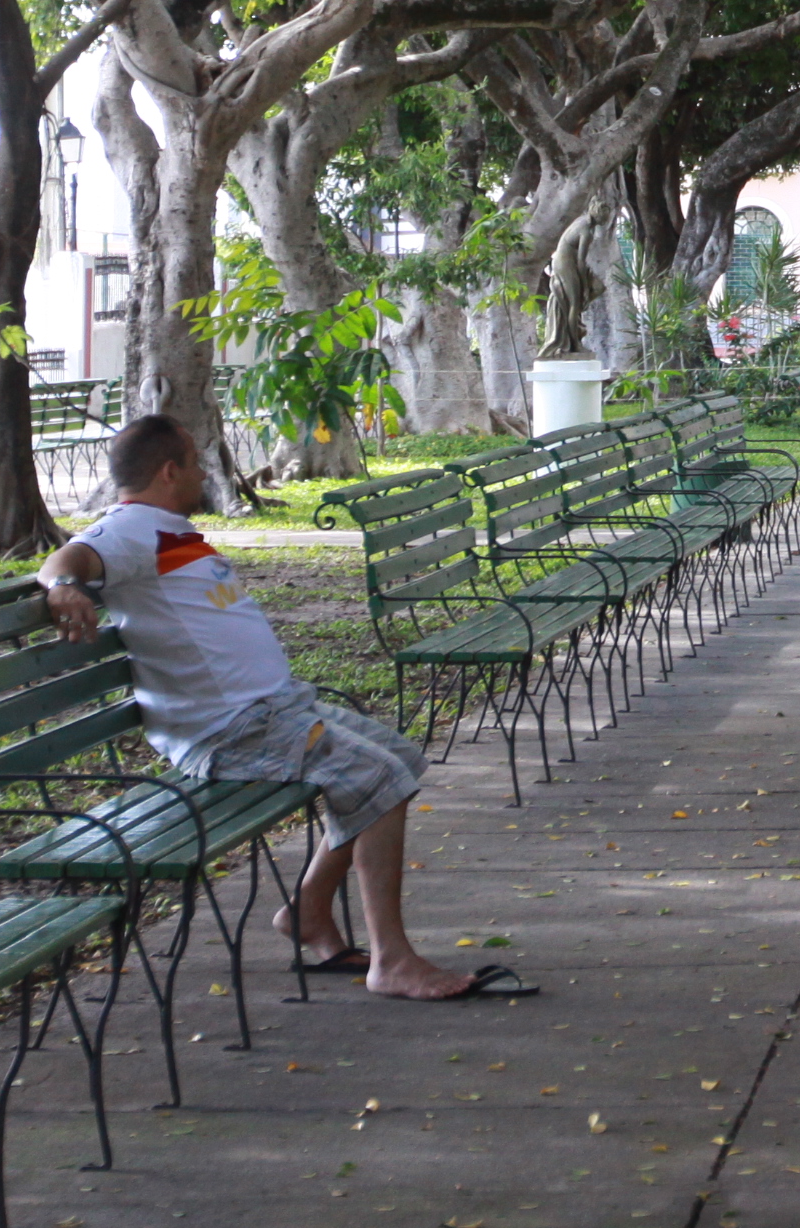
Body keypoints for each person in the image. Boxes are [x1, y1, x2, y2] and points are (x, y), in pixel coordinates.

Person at [37, 415, 533, 1002]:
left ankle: (310, 911)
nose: (203, 473)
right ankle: (392, 961)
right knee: (377, 777)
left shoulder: (166, 530)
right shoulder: (132, 529)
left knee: (397, 757)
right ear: (169, 472)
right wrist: (61, 586)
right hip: (231, 730)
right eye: (196, 463)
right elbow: (70, 558)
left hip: (270, 709)